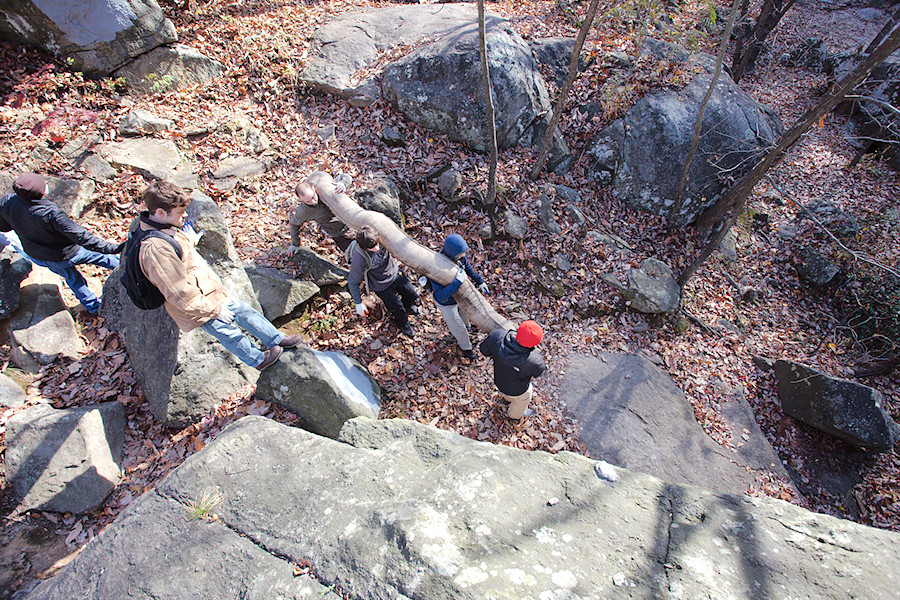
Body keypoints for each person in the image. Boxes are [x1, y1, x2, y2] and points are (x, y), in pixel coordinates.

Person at [135, 180, 301, 370]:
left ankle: (276, 339)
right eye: (180, 212)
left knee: (246, 312)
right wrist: (214, 311)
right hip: (199, 306)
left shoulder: (165, 228)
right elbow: (178, 292)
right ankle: (258, 360)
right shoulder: (155, 249)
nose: (185, 214)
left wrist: (189, 242)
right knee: (228, 333)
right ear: (160, 213)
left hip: (211, 292)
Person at [0, 173, 123, 314]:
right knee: (104, 258)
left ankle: (94, 307)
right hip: (69, 253)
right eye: (43, 183)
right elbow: (81, 236)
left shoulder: (7, 202)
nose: (46, 182)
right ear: (40, 191)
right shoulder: (50, 213)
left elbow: (3, 226)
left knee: (73, 280)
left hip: (41, 257)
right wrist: (114, 248)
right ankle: (128, 273)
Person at [348, 225, 419, 338]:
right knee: (397, 308)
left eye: (377, 244)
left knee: (411, 294)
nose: (377, 248)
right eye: (372, 247)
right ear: (364, 248)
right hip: (381, 285)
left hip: (394, 272)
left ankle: (408, 306)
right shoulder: (359, 258)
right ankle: (403, 324)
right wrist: (358, 302)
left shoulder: (382, 237)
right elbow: (353, 281)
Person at [428, 233, 489, 359]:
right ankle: (466, 348)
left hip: (459, 297)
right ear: (452, 253)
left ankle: (468, 328)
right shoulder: (437, 268)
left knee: (465, 315)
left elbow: (468, 268)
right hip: (447, 303)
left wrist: (480, 281)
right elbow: (440, 296)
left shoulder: (459, 258)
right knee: (457, 327)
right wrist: (457, 282)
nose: (464, 256)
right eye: (461, 253)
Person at [479, 320, 546, 419]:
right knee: (523, 399)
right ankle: (514, 416)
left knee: (507, 392)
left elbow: (484, 350)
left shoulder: (497, 335)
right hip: (518, 390)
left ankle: (507, 398)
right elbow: (538, 373)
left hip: (499, 380)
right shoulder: (534, 361)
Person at [289, 173, 353, 253]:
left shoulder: (324, 189)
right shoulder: (304, 211)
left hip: (353, 222)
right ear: (301, 199)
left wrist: (342, 184)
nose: (313, 201)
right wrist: (295, 244)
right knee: (356, 255)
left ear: (313, 189)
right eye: (308, 201)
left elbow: (346, 177)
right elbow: (293, 224)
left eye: (313, 197)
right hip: (339, 234)